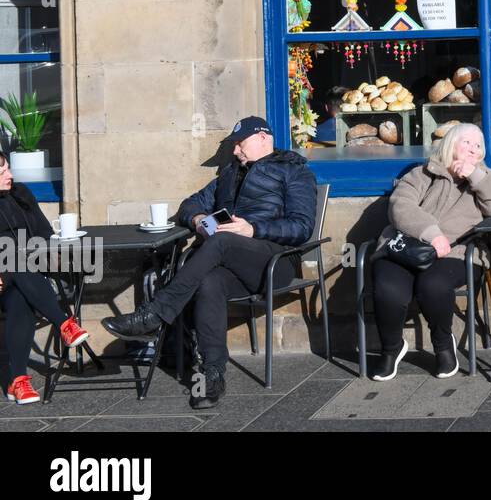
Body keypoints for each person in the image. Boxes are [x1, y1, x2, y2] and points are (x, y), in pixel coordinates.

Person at [102, 116, 317, 409]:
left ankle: (154, 315)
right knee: (208, 281)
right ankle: (212, 375)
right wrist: (199, 220)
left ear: (264, 138)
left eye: (241, 144)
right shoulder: (229, 174)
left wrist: (253, 229)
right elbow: (190, 204)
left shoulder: (294, 172)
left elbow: (302, 227)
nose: (236, 151)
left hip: (273, 263)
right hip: (228, 263)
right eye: (234, 145)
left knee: (222, 240)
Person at [371, 123, 491, 380]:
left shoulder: (485, 178)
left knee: (433, 286)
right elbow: (399, 205)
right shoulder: (422, 174)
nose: (473, 149)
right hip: (405, 248)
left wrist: (476, 177)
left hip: (455, 253)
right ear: (450, 145)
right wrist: (432, 233)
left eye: (478, 146)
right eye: (466, 142)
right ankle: (391, 349)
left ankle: (443, 346)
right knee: (388, 289)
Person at [0, 152, 91, 404]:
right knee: (13, 255)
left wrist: (52, 252)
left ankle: (17, 381)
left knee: (20, 297)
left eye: (8, 168)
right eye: (2, 173)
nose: (10, 175)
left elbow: (45, 232)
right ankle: (64, 323)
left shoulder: (21, 194)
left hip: (27, 279)